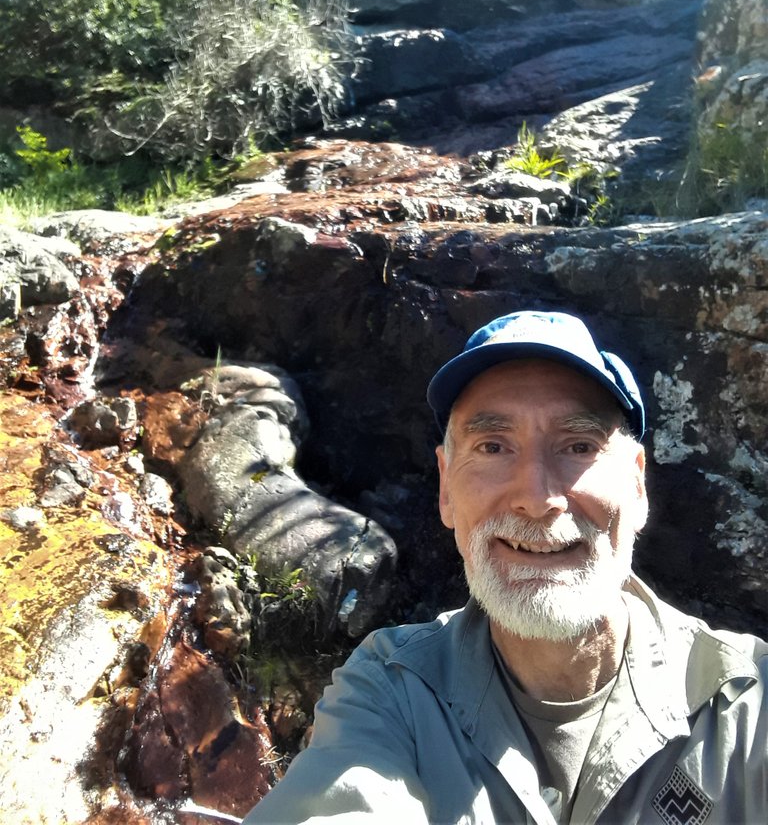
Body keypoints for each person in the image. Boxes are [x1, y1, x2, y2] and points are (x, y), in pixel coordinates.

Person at [242, 310, 767, 825]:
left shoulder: (747, 700)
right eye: (493, 447)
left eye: (578, 446)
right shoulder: (390, 691)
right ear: (446, 488)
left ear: (636, 484)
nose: (537, 499)